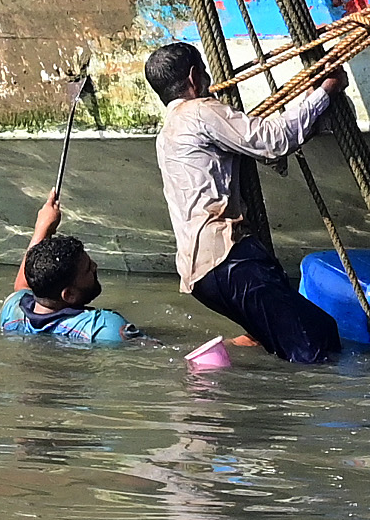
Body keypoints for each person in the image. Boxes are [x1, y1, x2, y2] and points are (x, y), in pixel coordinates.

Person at [148, 41, 348, 364]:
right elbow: (273, 141)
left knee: (290, 344)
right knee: (318, 340)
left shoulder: (166, 134)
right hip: (230, 260)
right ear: (194, 77)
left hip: (199, 277)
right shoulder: (201, 111)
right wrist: (325, 92)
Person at [0, 190, 139, 344]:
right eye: (88, 269)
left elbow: (22, 286)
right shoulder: (103, 328)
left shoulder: (12, 311)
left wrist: (43, 227)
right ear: (69, 295)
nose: (95, 266)